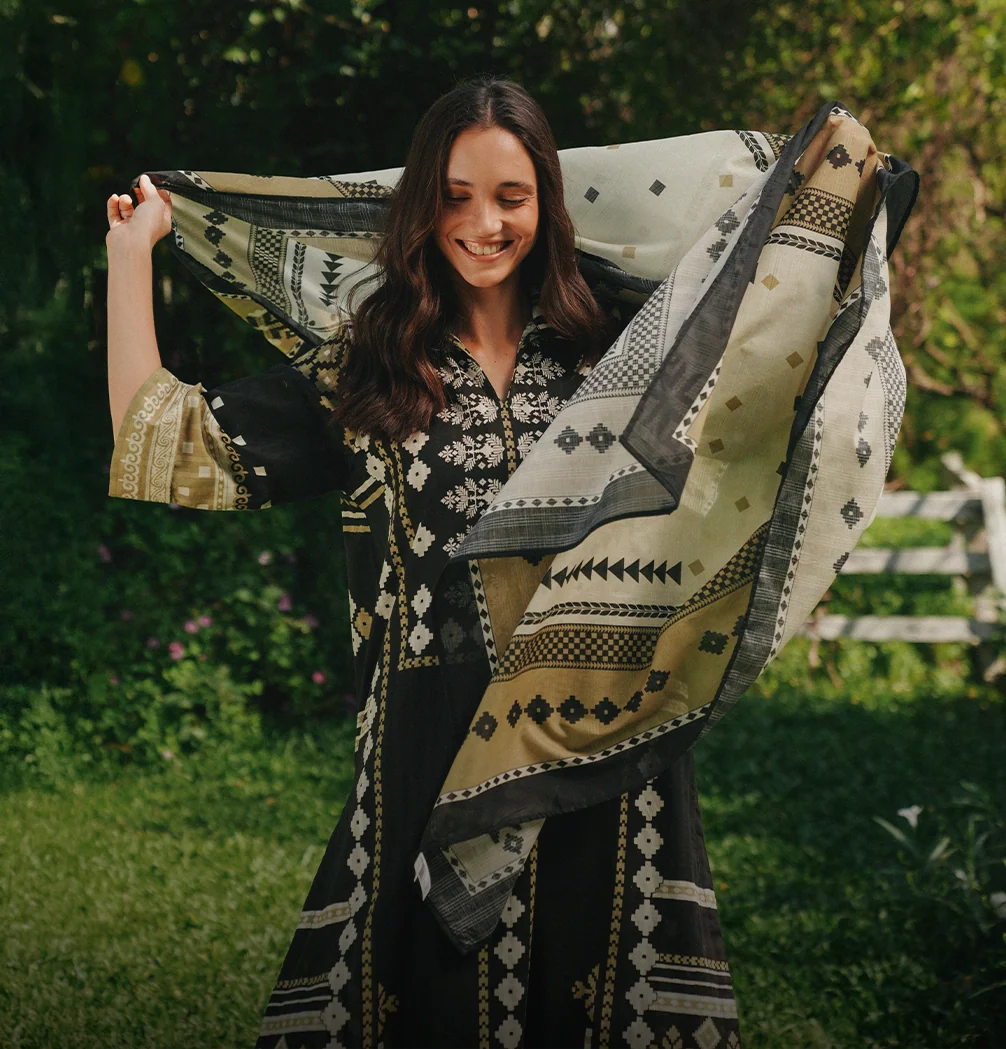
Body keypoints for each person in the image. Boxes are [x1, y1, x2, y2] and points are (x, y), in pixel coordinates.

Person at [106, 77, 916, 1048]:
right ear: (419, 206)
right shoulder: (368, 369)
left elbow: (769, 360)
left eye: (510, 196)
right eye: (453, 196)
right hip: (422, 751)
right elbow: (170, 445)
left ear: (548, 203)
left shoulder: (619, 353)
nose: (482, 223)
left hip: (597, 745)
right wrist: (129, 256)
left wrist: (843, 199)